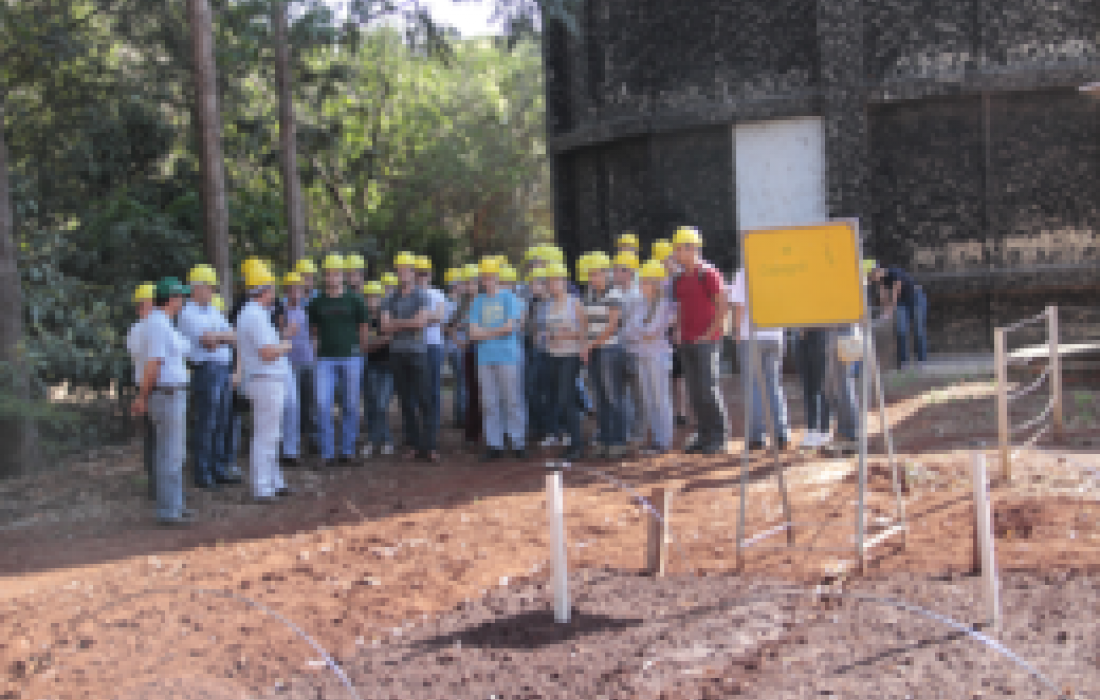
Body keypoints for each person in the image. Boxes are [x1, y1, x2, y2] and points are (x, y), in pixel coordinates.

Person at [131, 277, 193, 526]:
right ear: (172, 299)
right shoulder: (158, 325)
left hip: (169, 393)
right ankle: (169, 510)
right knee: (170, 453)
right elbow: (153, 364)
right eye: (181, 297)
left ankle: (174, 504)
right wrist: (143, 397)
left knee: (171, 452)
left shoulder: (162, 323)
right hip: (165, 394)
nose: (183, 301)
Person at [236, 261, 295, 502]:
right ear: (264, 290)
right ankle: (262, 487)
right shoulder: (254, 316)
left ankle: (274, 481)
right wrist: (285, 345)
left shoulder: (256, 313)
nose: (273, 293)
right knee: (265, 435)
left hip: (266, 379)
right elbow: (267, 352)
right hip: (264, 379)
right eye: (271, 288)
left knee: (271, 434)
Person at [670, 226, 729, 455]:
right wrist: (677, 330)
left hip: (707, 341)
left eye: (678, 248)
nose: (675, 253)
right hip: (686, 341)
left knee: (708, 389)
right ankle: (704, 436)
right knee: (695, 391)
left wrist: (710, 333)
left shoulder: (709, 273)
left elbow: (722, 306)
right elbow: (680, 307)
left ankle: (719, 436)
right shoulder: (679, 278)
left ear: (691, 248)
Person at [178, 264, 238, 490]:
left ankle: (218, 469)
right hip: (205, 370)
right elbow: (206, 340)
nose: (213, 291)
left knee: (222, 421)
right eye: (209, 287)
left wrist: (219, 337)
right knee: (207, 422)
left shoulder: (213, 310)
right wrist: (221, 337)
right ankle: (203, 473)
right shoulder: (187, 313)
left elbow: (233, 336)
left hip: (223, 367)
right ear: (197, 287)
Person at [307, 253, 369, 467]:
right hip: (325, 360)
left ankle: (348, 451)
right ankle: (326, 453)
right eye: (328, 274)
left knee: (350, 405)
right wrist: (315, 350)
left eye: (336, 274)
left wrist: (360, 351)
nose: (332, 277)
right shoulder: (317, 302)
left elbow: (363, 327)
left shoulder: (355, 300)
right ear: (324, 277)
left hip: (351, 358)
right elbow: (313, 330)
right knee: (323, 404)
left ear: (342, 275)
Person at [468, 257, 527, 460]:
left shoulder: (509, 297)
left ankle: (518, 442)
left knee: (512, 400)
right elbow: (472, 334)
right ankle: (495, 444)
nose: (488, 280)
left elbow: (510, 327)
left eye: (491, 276)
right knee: (489, 402)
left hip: (508, 356)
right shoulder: (477, 301)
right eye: (484, 277)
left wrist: (485, 332)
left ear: (497, 277)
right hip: (485, 358)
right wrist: (496, 331)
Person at [381, 252, 437, 461]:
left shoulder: (422, 295)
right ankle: (413, 444)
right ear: (397, 272)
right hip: (397, 354)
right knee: (405, 401)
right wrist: (407, 322)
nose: (403, 273)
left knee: (425, 399)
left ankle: (430, 446)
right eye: (400, 269)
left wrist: (397, 322)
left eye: (407, 269)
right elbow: (385, 327)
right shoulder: (389, 298)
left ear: (413, 272)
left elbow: (420, 323)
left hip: (418, 353)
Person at [729, 266, 790, 451]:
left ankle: (757, 436)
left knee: (753, 385)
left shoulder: (743, 272)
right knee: (773, 384)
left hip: (751, 335)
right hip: (775, 334)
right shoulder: (780, 269)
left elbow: (739, 305)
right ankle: (781, 434)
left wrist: (736, 330)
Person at [624, 260, 677, 455]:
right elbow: (629, 331)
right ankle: (655, 439)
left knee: (660, 397)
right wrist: (641, 332)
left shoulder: (664, 305)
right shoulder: (641, 304)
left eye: (645, 281)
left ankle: (664, 440)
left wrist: (641, 332)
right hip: (642, 355)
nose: (641, 285)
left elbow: (652, 331)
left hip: (658, 356)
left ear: (655, 283)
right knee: (648, 398)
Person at [583, 252, 629, 459]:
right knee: (599, 399)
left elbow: (612, 327)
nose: (594, 278)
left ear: (607, 273)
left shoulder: (615, 294)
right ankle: (603, 440)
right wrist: (585, 344)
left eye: (598, 274)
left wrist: (590, 345)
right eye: (591, 274)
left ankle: (618, 442)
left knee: (613, 397)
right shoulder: (589, 293)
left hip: (610, 350)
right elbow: (585, 322)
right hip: (593, 350)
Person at [539, 262, 587, 460]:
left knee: (566, 399)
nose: (553, 284)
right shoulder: (548, 305)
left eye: (557, 280)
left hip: (570, 356)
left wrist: (565, 336)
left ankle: (576, 444)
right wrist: (547, 335)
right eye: (550, 281)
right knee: (559, 399)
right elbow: (545, 331)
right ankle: (571, 441)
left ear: (564, 281)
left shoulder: (574, 303)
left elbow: (584, 331)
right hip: (552, 355)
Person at [127, 282, 157, 500]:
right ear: (143, 305)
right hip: (148, 386)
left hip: (153, 384)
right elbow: (147, 358)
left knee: (158, 439)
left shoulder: (152, 327)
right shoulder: (139, 329)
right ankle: (155, 485)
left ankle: (161, 485)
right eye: (152, 303)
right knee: (153, 439)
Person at [868, 262, 928, 368]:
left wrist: (890, 310)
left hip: (915, 298)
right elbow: (884, 297)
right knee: (901, 330)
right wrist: (885, 312)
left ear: (878, 271)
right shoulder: (881, 282)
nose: (871, 279)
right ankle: (903, 363)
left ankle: (921, 361)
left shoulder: (895, 272)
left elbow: (895, 294)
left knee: (918, 329)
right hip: (901, 302)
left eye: (871, 276)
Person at [613, 249, 644, 446]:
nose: (614, 273)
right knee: (620, 392)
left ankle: (639, 432)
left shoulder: (639, 295)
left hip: (635, 348)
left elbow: (632, 324)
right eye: (614, 269)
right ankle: (623, 431)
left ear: (629, 272)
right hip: (616, 349)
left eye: (618, 270)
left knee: (638, 391)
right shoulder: (613, 294)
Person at [280, 271, 312, 466]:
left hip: (308, 360)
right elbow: (277, 335)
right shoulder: (280, 310)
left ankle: (306, 444)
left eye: (298, 288)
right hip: (288, 363)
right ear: (286, 290)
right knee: (291, 406)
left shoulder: (306, 308)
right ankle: (289, 449)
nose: (295, 292)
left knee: (308, 405)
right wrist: (285, 332)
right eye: (292, 288)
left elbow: (314, 332)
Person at [361, 281, 395, 457]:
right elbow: (363, 345)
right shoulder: (364, 319)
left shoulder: (386, 315)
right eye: (368, 296)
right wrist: (377, 342)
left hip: (388, 367)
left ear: (380, 297)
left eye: (375, 296)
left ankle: (384, 440)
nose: (371, 300)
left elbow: (389, 338)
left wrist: (372, 344)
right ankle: (377, 441)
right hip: (371, 366)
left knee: (382, 405)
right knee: (372, 405)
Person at [416, 256, 447, 443]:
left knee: (434, 389)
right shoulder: (409, 295)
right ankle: (419, 428)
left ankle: (433, 428)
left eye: (425, 273)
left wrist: (419, 318)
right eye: (419, 273)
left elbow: (440, 317)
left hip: (434, 345)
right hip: (415, 348)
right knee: (417, 390)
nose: (422, 277)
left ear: (430, 275)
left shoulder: (438, 294)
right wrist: (428, 316)